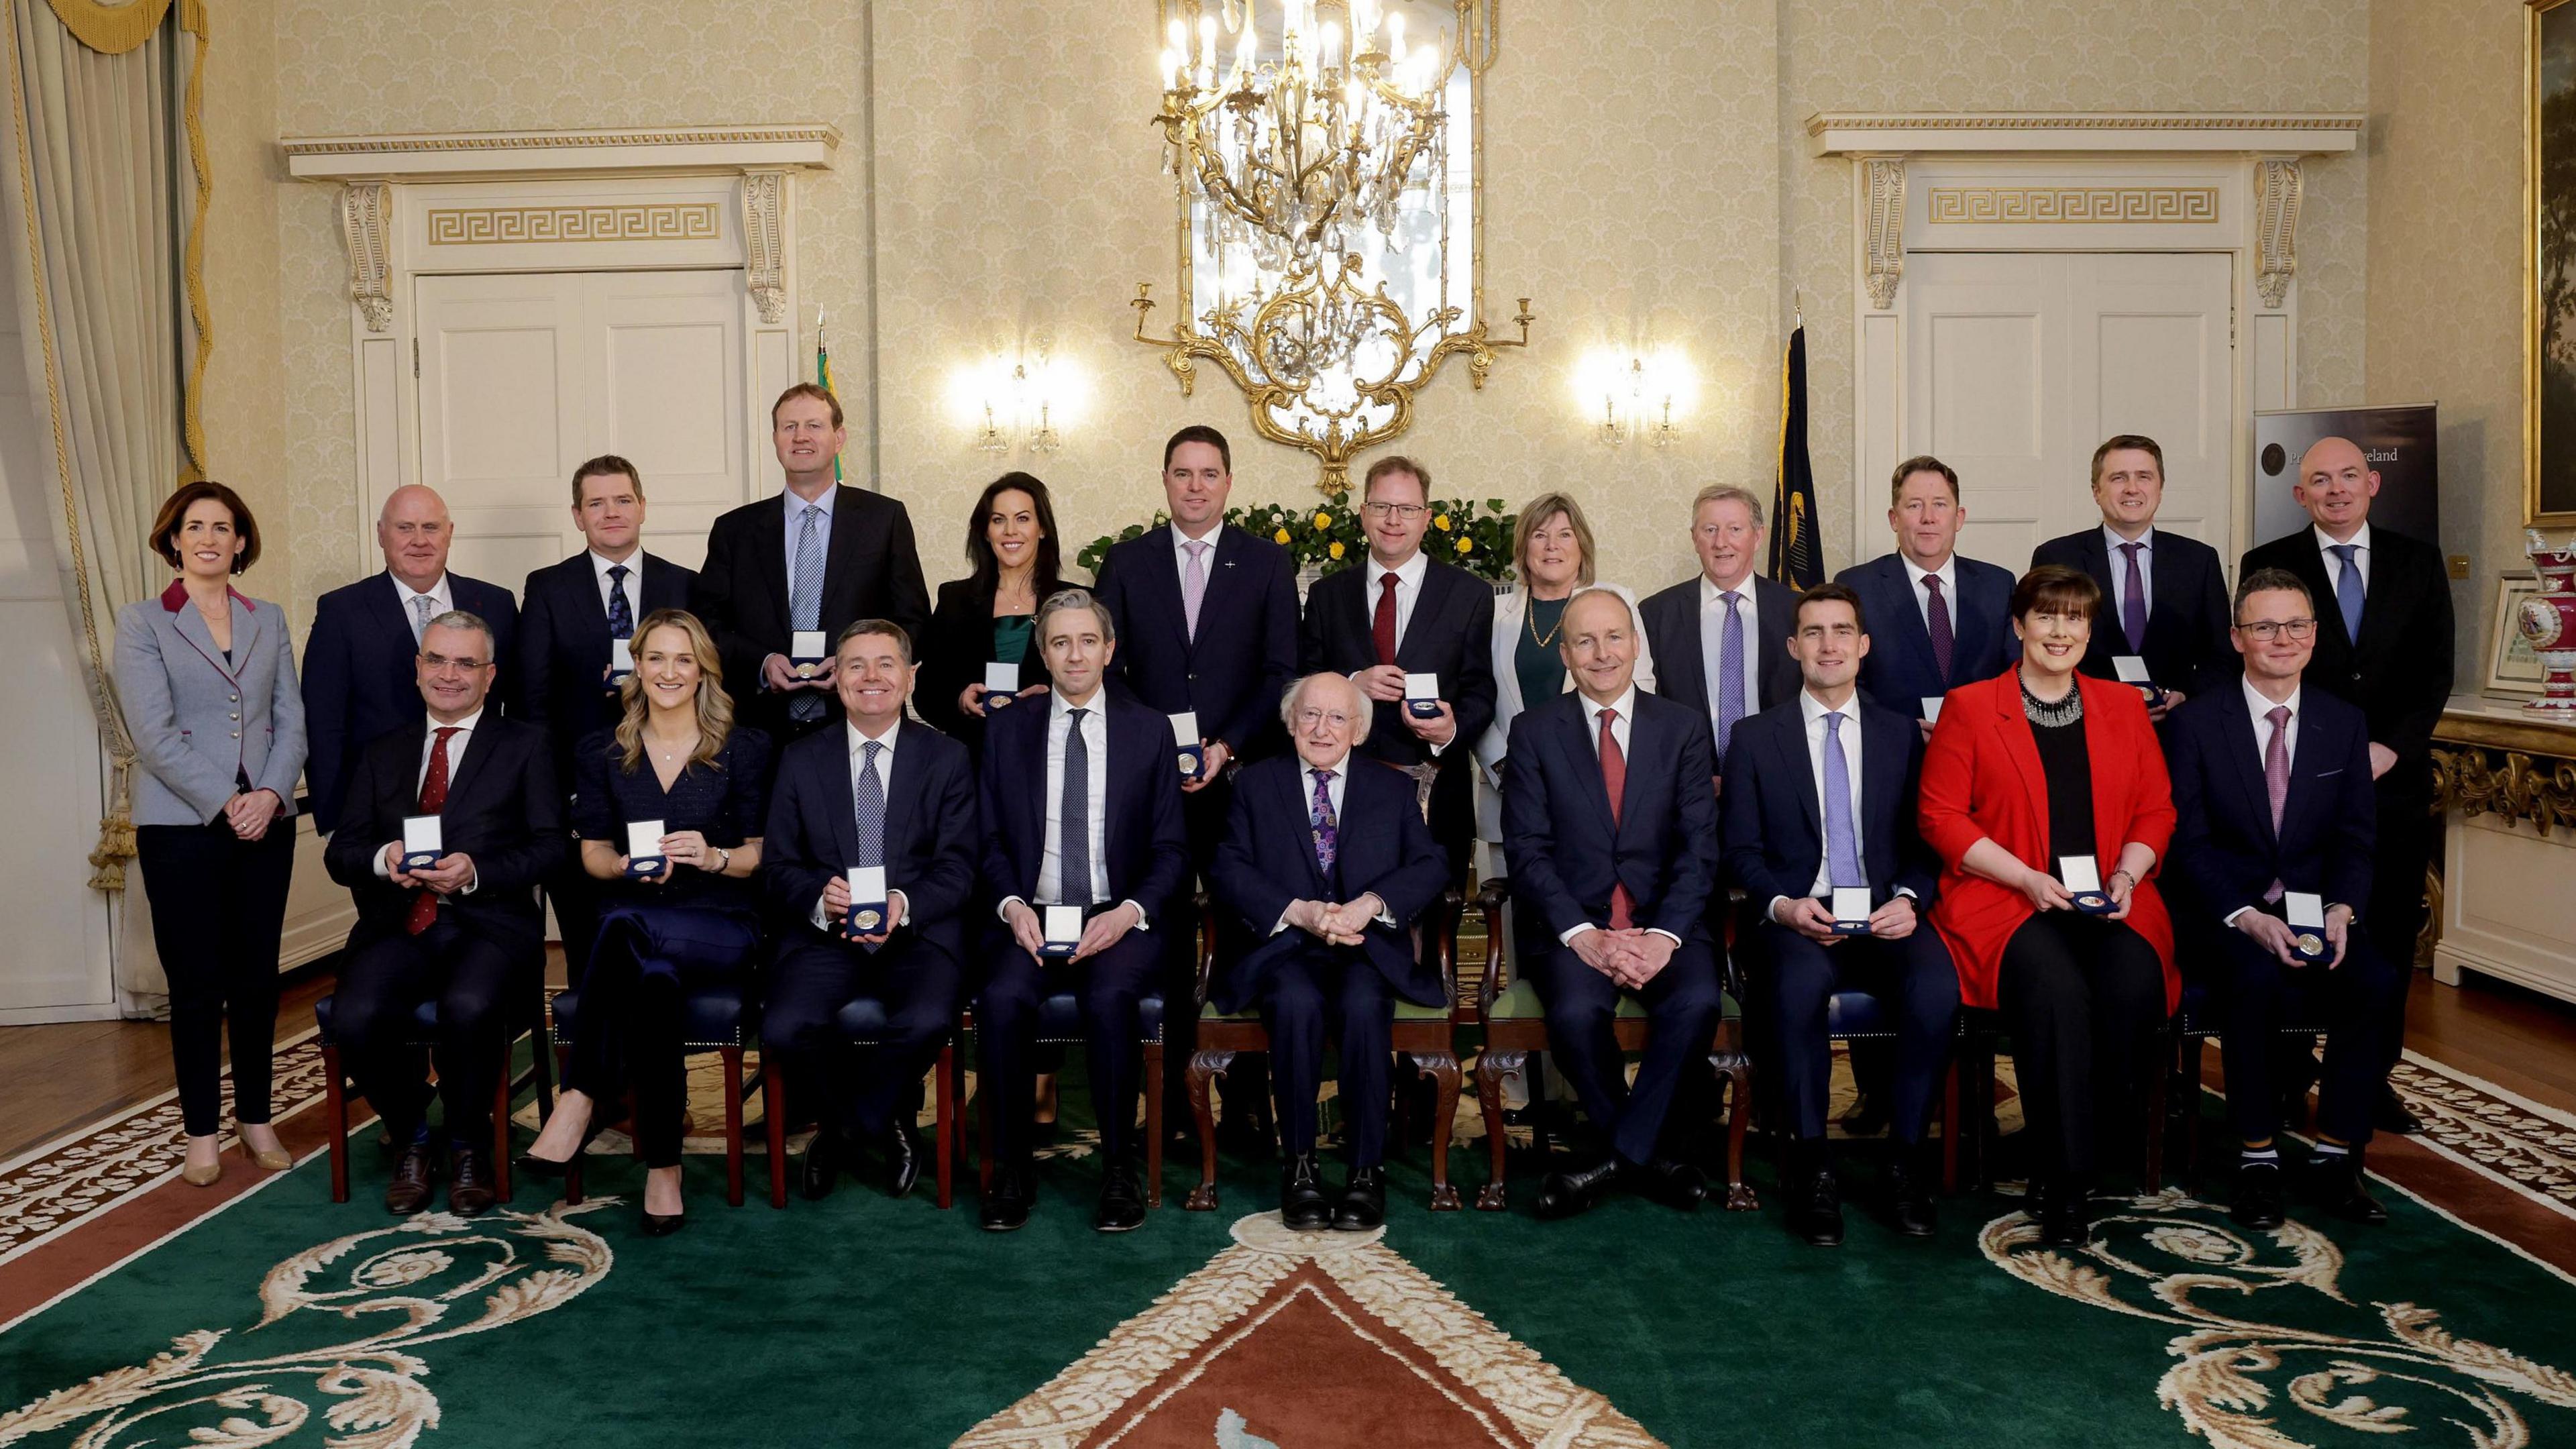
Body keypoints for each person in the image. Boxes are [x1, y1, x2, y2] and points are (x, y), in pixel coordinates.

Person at [1918, 566, 2176, 1248]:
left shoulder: (2122, 707)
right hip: (2007, 898)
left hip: (2112, 897)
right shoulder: (1971, 706)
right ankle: (2064, 1184)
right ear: (2019, 624)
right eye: (2047, 616)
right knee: (2057, 991)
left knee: (2133, 984)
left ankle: (2088, 1149)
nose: (2061, 631)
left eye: (2075, 618)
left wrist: (2129, 872)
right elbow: (1940, 818)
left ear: (2090, 630)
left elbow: (2157, 808)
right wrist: (2028, 879)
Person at [515, 610, 768, 1236]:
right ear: (637, 666)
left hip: (719, 921)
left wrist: (714, 857)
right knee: (652, 983)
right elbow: (593, 856)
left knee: (626, 932)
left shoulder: (745, 746)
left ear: (704, 668)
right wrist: (624, 865)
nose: (669, 672)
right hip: (636, 918)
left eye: (684, 659)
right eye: (656, 658)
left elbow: (761, 854)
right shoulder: (604, 750)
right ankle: (664, 1168)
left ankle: (579, 1095)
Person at [1719, 582, 1956, 1244]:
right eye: (1815, 633)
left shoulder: (1902, 736)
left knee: (1936, 988)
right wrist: (1783, 905)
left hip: (1885, 915)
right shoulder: (1754, 737)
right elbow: (1738, 850)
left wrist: (1910, 900)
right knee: (1794, 990)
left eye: (1843, 631)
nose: (1830, 645)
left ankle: (1905, 1161)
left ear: (1864, 646)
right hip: (1802, 916)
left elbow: (1928, 842)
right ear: (1794, 647)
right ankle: (1811, 1162)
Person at [2166, 569, 2399, 1228]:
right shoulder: (2195, 723)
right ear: (2238, 636)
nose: (2282, 638)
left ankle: (2336, 1154)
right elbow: (2188, 843)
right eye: (2265, 626)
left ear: (2315, 635)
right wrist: (2246, 918)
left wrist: (2342, 910)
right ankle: (2257, 1155)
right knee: (2252, 979)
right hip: (2227, 911)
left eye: (2296, 625)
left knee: (2375, 981)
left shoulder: (2343, 722)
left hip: (2316, 909)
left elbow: (2357, 839)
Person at [2238, 435, 2454, 1136]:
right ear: (2300, 495)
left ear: (2373, 485)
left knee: (2386, 934)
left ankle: (2368, 1078)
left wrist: (2391, 748)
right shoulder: (2268, 564)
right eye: (2320, 481)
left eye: (2349, 477)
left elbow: (2434, 672)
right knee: (2298, 918)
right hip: (2296, 785)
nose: (2336, 490)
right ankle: (2288, 1073)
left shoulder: (2417, 562)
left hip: (2392, 782)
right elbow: (2263, 670)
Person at [1093, 425, 1300, 1141]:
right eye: (1183, 474)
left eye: (1209, 474)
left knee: (1250, 933)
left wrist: (1227, 744)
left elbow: (1281, 672)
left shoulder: (1269, 563)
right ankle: (1177, 1105)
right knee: (1167, 939)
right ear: (1164, 480)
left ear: (1229, 483)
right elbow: (1106, 673)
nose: (1196, 486)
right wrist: (1157, 752)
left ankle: (1247, 1101)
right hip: (1152, 791)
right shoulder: (1125, 563)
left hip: (1241, 782)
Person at [322, 612, 562, 1217]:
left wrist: (475, 871)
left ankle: (469, 1144)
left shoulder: (524, 744)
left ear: (489, 676)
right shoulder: (383, 752)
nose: (449, 675)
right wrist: (384, 858)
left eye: (465, 664)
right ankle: (413, 1136)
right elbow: (341, 852)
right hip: (398, 923)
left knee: (470, 1006)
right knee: (354, 1015)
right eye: (437, 660)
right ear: (418, 668)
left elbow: (550, 846)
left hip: (490, 925)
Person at [1501, 589, 1724, 1220]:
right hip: (1574, 928)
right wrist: (1583, 933)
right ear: (1566, 655)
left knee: (1696, 1001)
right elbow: (1528, 850)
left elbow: (1699, 849)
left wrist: (1663, 936)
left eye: (1615, 637)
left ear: (1636, 644)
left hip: (1667, 923)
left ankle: (1612, 1157)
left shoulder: (1680, 726)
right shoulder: (1534, 732)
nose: (1603, 654)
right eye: (1586, 642)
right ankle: (1653, 1158)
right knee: (1575, 1010)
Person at [975, 589, 1190, 1232]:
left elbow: (1173, 849)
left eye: (1088, 641)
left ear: (1110, 649)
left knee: (1109, 998)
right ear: (1042, 653)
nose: (1075, 654)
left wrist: (1128, 912)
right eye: (1061, 642)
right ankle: (1012, 1168)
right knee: (1003, 998)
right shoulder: (1005, 729)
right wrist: (1013, 908)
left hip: (1116, 912)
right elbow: (983, 840)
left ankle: (1119, 1166)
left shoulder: (1148, 729)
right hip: (1031, 911)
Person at [1208, 672, 1452, 1230]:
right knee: (1295, 1006)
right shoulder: (1255, 785)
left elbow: (1430, 864)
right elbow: (1228, 866)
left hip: (1366, 948)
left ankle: (1367, 1172)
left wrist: (1370, 903)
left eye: (1338, 717)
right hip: (1286, 950)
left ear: (1360, 730)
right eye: (1310, 716)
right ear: (1291, 723)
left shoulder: (1389, 789)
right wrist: (1299, 910)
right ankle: (1301, 1169)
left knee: (1365, 1007)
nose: (1322, 729)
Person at [114, 482, 307, 1187]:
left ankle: (256, 1118)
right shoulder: (143, 623)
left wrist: (271, 794)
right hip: (182, 829)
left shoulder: (270, 618)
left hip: (266, 823)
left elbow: (292, 720)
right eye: (195, 526)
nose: (209, 538)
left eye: (223, 527)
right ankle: (201, 1132)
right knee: (196, 984)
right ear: (173, 540)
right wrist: (230, 802)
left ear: (241, 542)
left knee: (257, 980)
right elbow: (154, 736)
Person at [761, 619, 977, 1203]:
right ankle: (863, 1122)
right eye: (855, 665)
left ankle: (860, 1125)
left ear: (911, 678)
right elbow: (778, 865)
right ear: (836, 680)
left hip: (918, 933)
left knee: (930, 1018)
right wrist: (817, 896)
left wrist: (903, 903)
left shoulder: (948, 758)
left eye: (886, 664)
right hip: (826, 936)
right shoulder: (801, 759)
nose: (871, 677)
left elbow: (960, 867)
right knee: (784, 1026)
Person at [515, 456, 696, 987]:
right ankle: (595, 1066)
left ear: (643, 506)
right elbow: (533, 699)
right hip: (584, 795)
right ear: (577, 515)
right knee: (589, 948)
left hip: (673, 788)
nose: (610, 512)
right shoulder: (548, 586)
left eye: (622, 500)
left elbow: (707, 680)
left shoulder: (685, 584)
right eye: (596, 503)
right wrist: (553, 791)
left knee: (668, 950)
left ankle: (667, 1063)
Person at [690, 383, 931, 747]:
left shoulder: (884, 519)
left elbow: (912, 620)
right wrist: (764, 662)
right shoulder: (734, 530)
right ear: (775, 439)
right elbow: (706, 624)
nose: (801, 436)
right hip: (757, 730)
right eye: (789, 427)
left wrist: (857, 664)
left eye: (814, 426)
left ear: (839, 437)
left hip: (857, 724)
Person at [1299, 455, 1497, 881]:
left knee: (1428, 932)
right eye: (1381, 507)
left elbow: (1481, 691)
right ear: (1362, 514)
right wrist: (1352, 685)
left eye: (1407, 509)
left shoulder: (1470, 595)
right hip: (1342, 793)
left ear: (1426, 518)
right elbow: (1301, 683)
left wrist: (1452, 730)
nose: (1393, 520)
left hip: (1437, 792)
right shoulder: (1326, 595)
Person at [303, 485, 519, 831]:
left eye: (431, 528)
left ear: (449, 534)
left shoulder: (497, 604)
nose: (420, 540)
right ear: (381, 534)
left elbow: (518, 710)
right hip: (379, 817)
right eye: (405, 528)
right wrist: (333, 824)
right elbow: (324, 725)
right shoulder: (341, 612)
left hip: (484, 816)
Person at [1475, 492, 1658, 868]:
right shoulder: (1493, 614)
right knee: (1516, 919)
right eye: (1539, 535)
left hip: (1600, 791)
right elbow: (1477, 696)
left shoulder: (1614, 600)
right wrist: (1507, 770)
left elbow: (1643, 687)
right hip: (1511, 791)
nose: (1551, 546)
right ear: (1524, 544)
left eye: (1564, 535)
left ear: (1582, 545)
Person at [2030, 435, 2233, 720]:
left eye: (2144, 477)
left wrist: (2187, 694)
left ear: (2160, 489)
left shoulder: (2199, 561)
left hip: (2178, 729)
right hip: (2086, 723)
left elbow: (2223, 655)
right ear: (2096, 491)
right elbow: (2038, 649)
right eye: (2118, 478)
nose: (2132, 489)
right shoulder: (2057, 557)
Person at [1835, 456, 2018, 733]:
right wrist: (1901, 730)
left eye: (1940, 505)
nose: (1928, 517)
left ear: (1959, 518)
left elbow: (2014, 674)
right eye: (1914, 505)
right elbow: (1846, 680)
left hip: (1981, 747)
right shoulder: (1856, 586)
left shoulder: (1998, 585)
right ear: (1894, 519)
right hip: (1892, 751)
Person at [1638, 484, 1797, 777]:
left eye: (1735, 529)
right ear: (1694, 539)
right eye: (1710, 530)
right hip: (1687, 782)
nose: (1721, 543)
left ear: (1758, 536)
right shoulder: (1655, 613)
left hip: (1778, 778)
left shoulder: (1796, 611)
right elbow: (1649, 708)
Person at [917, 472, 1069, 756]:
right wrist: (960, 699)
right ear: (986, 532)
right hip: (973, 761)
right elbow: (927, 691)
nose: (1010, 530)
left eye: (1023, 519)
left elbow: (1100, 685)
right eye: (998, 520)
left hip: (1052, 758)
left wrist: (1057, 700)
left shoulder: (1072, 603)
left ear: (1042, 528)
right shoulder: (955, 599)